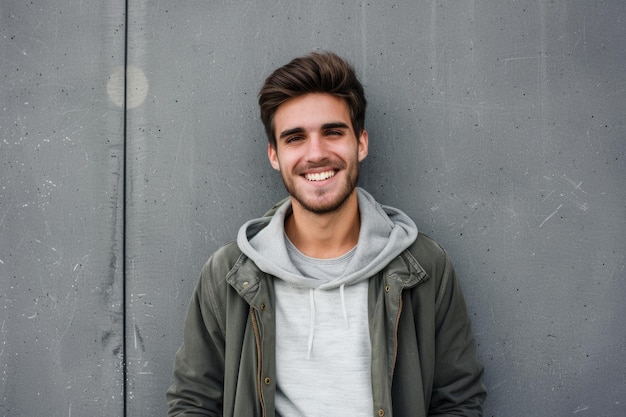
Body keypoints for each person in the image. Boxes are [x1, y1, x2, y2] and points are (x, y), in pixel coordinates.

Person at [166, 51, 486, 417]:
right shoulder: (230, 274)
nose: (316, 153)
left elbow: (458, 401)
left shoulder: (424, 266)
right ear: (274, 154)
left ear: (360, 143)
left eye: (333, 132)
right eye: (295, 138)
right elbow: (193, 402)